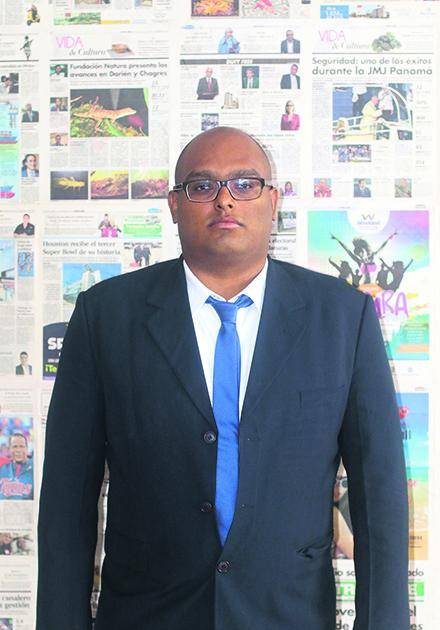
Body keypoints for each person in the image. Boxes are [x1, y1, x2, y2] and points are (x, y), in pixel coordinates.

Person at [37, 126, 409, 630]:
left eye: (245, 184)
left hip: (288, 616)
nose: (225, 200)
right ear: (174, 204)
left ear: (273, 201)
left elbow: (378, 497)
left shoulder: (343, 318)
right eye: (203, 186)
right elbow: (67, 499)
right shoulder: (105, 316)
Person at [0, 434, 33, 500]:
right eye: (15, 446)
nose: (18, 450)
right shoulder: (2, 468)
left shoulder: (36, 469)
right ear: (9, 449)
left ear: (27, 448)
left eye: (22, 446)